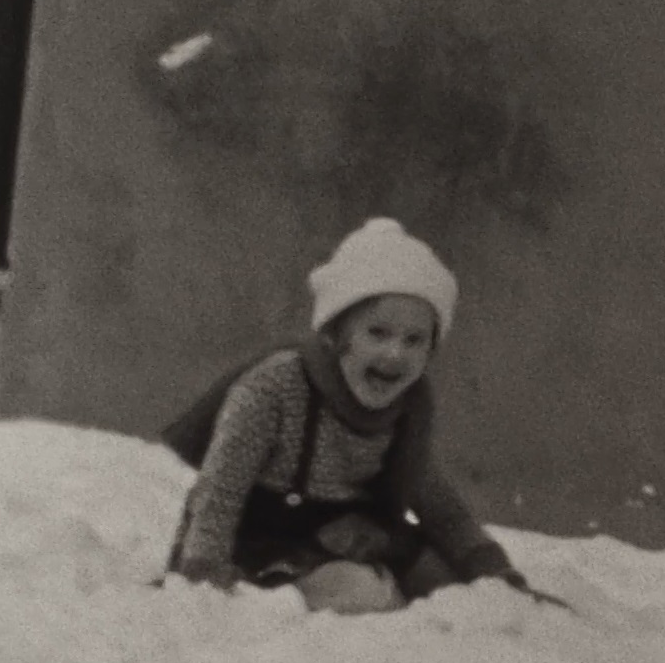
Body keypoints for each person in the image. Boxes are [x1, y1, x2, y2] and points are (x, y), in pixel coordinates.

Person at [160, 216, 532, 613]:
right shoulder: (275, 388)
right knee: (355, 592)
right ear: (337, 335)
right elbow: (221, 488)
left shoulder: (406, 409)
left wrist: (489, 565)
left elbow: (438, 504)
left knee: (452, 585)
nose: (395, 353)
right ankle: (319, 600)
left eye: (414, 340)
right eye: (377, 333)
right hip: (254, 538)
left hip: (343, 537)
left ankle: (399, 594)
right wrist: (202, 570)